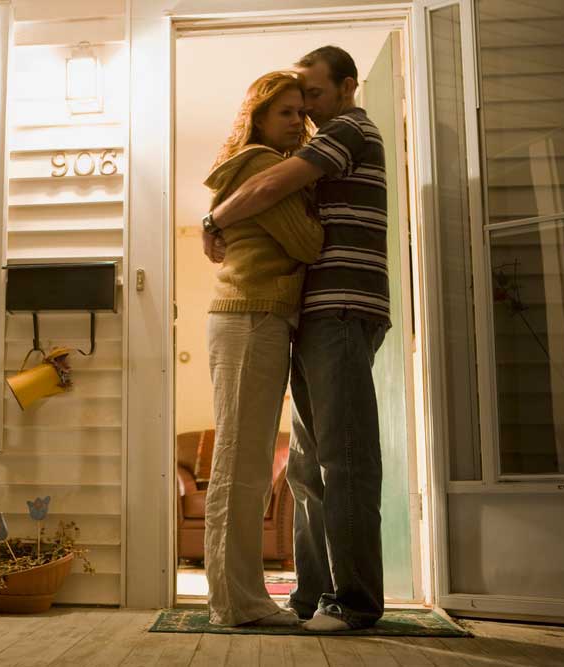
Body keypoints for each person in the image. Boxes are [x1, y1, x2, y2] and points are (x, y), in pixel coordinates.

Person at [202, 46, 390, 631]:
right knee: (309, 463)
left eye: (310, 94)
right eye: (291, 103)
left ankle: (350, 601)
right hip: (306, 314)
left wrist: (213, 219)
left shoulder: (349, 129)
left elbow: (276, 191)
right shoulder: (294, 149)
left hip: (338, 309)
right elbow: (273, 196)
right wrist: (218, 217)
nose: (305, 111)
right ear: (259, 117)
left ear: (347, 88)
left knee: (341, 457)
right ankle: (310, 594)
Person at [201, 71, 323, 627]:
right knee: (241, 464)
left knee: (242, 462)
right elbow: (307, 242)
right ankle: (238, 602)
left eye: (302, 111)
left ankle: (235, 599)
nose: (298, 121)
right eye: (287, 113)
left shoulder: (264, 164)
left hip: (254, 317)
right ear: (259, 116)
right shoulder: (261, 165)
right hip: (251, 317)